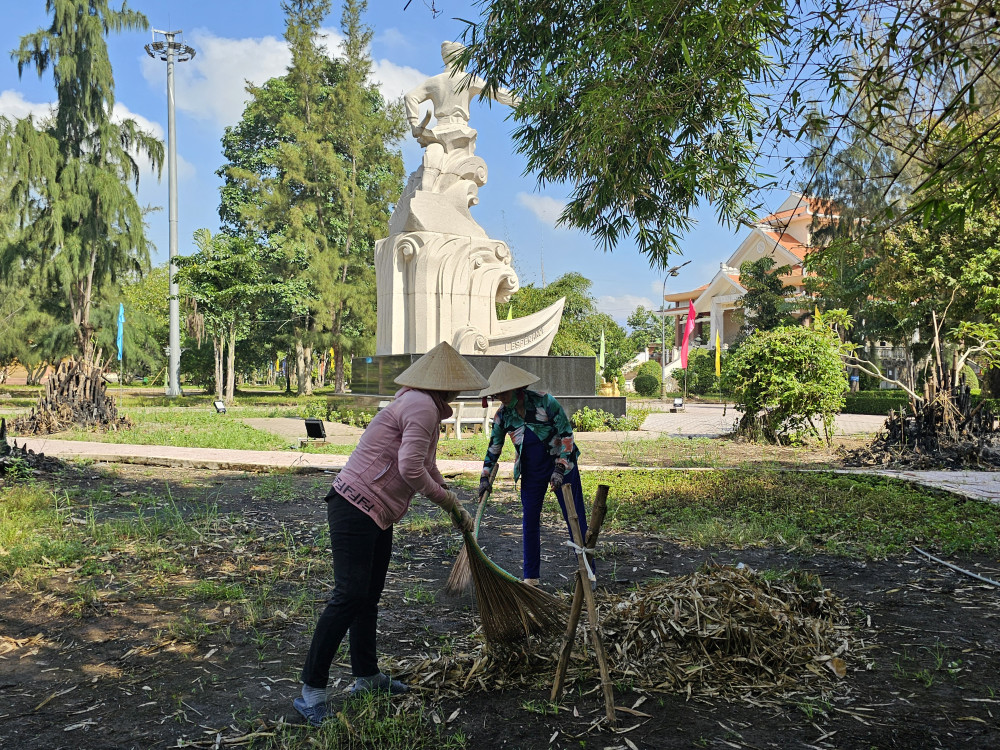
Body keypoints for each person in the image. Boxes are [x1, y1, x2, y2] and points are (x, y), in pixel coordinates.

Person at [294, 342, 488, 726]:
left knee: (367, 598)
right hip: (355, 506)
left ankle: (366, 676)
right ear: (449, 385)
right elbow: (412, 470)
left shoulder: (424, 406)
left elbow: (427, 464)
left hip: (375, 511)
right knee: (349, 596)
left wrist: (455, 502)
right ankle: (311, 691)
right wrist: (448, 503)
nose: (461, 390)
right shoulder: (421, 407)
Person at [478, 362, 590, 586]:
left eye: (503, 391)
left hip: (561, 465)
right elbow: (494, 447)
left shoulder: (545, 402)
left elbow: (567, 435)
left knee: (574, 517)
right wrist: (484, 476)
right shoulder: (503, 416)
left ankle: (587, 571)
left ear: (517, 388)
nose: (500, 396)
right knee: (529, 520)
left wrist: (559, 469)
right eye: (497, 393)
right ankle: (531, 578)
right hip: (531, 470)